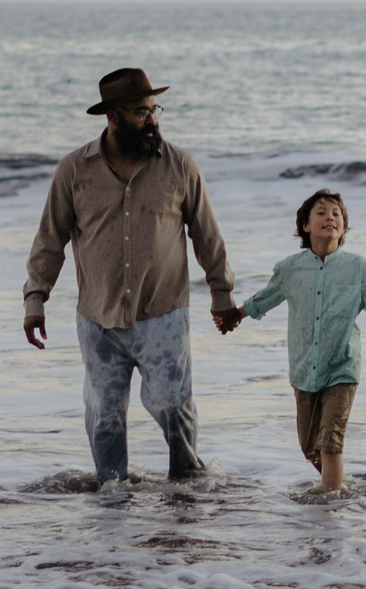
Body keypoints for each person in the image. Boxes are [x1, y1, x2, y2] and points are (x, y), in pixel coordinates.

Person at [23, 68, 240, 485]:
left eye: (154, 109)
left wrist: (222, 295)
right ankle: (112, 503)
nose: (152, 119)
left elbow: (207, 235)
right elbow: (50, 241)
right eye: (141, 112)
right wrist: (36, 301)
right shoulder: (73, 170)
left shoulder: (180, 165)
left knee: (174, 407)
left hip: (163, 313)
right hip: (98, 318)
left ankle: (187, 490)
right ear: (113, 117)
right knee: (105, 415)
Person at [231, 188, 366, 492]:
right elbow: (265, 298)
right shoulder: (290, 268)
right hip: (305, 369)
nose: (330, 217)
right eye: (321, 212)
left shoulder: (359, 268)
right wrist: (236, 315)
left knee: (330, 442)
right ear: (305, 225)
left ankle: (331, 509)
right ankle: (342, 486)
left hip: (341, 366)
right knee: (310, 447)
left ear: (343, 227)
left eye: (336, 214)